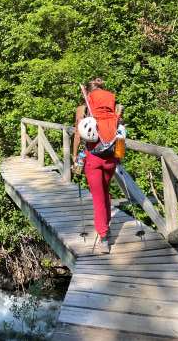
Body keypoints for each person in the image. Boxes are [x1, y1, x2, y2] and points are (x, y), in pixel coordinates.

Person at [73, 77, 119, 253]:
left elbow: (78, 134)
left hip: (93, 158)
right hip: (111, 157)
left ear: (88, 93)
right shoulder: (113, 110)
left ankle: (104, 236)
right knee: (105, 192)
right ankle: (106, 225)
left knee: (98, 197)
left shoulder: (83, 109)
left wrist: (75, 155)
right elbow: (120, 133)